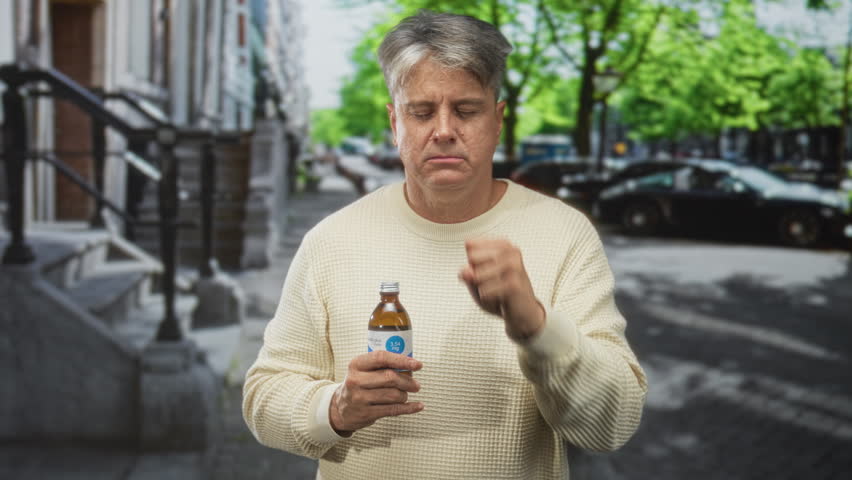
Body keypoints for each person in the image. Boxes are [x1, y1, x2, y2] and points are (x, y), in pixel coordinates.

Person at [243, 10, 647, 480]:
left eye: (466, 109)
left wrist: (536, 327)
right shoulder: (332, 240)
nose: (443, 130)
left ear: (497, 121)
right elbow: (263, 396)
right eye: (421, 111)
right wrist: (335, 407)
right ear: (395, 123)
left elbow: (612, 425)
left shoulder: (564, 234)